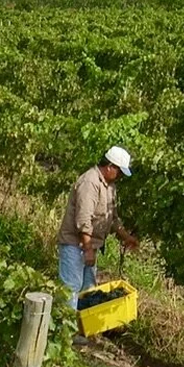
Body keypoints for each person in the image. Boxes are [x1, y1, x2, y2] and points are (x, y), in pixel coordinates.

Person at [57, 145, 140, 343]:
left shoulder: (109, 187)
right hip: (74, 245)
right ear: (110, 166)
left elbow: (112, 219)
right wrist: (87, 250)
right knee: (71, 287)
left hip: (89, 245)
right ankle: (64, 335)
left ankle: (83, 329)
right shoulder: (90, 182)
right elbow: (83, 220)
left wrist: (126, 237)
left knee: (88, 288)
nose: (119, 176)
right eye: (119, 171)